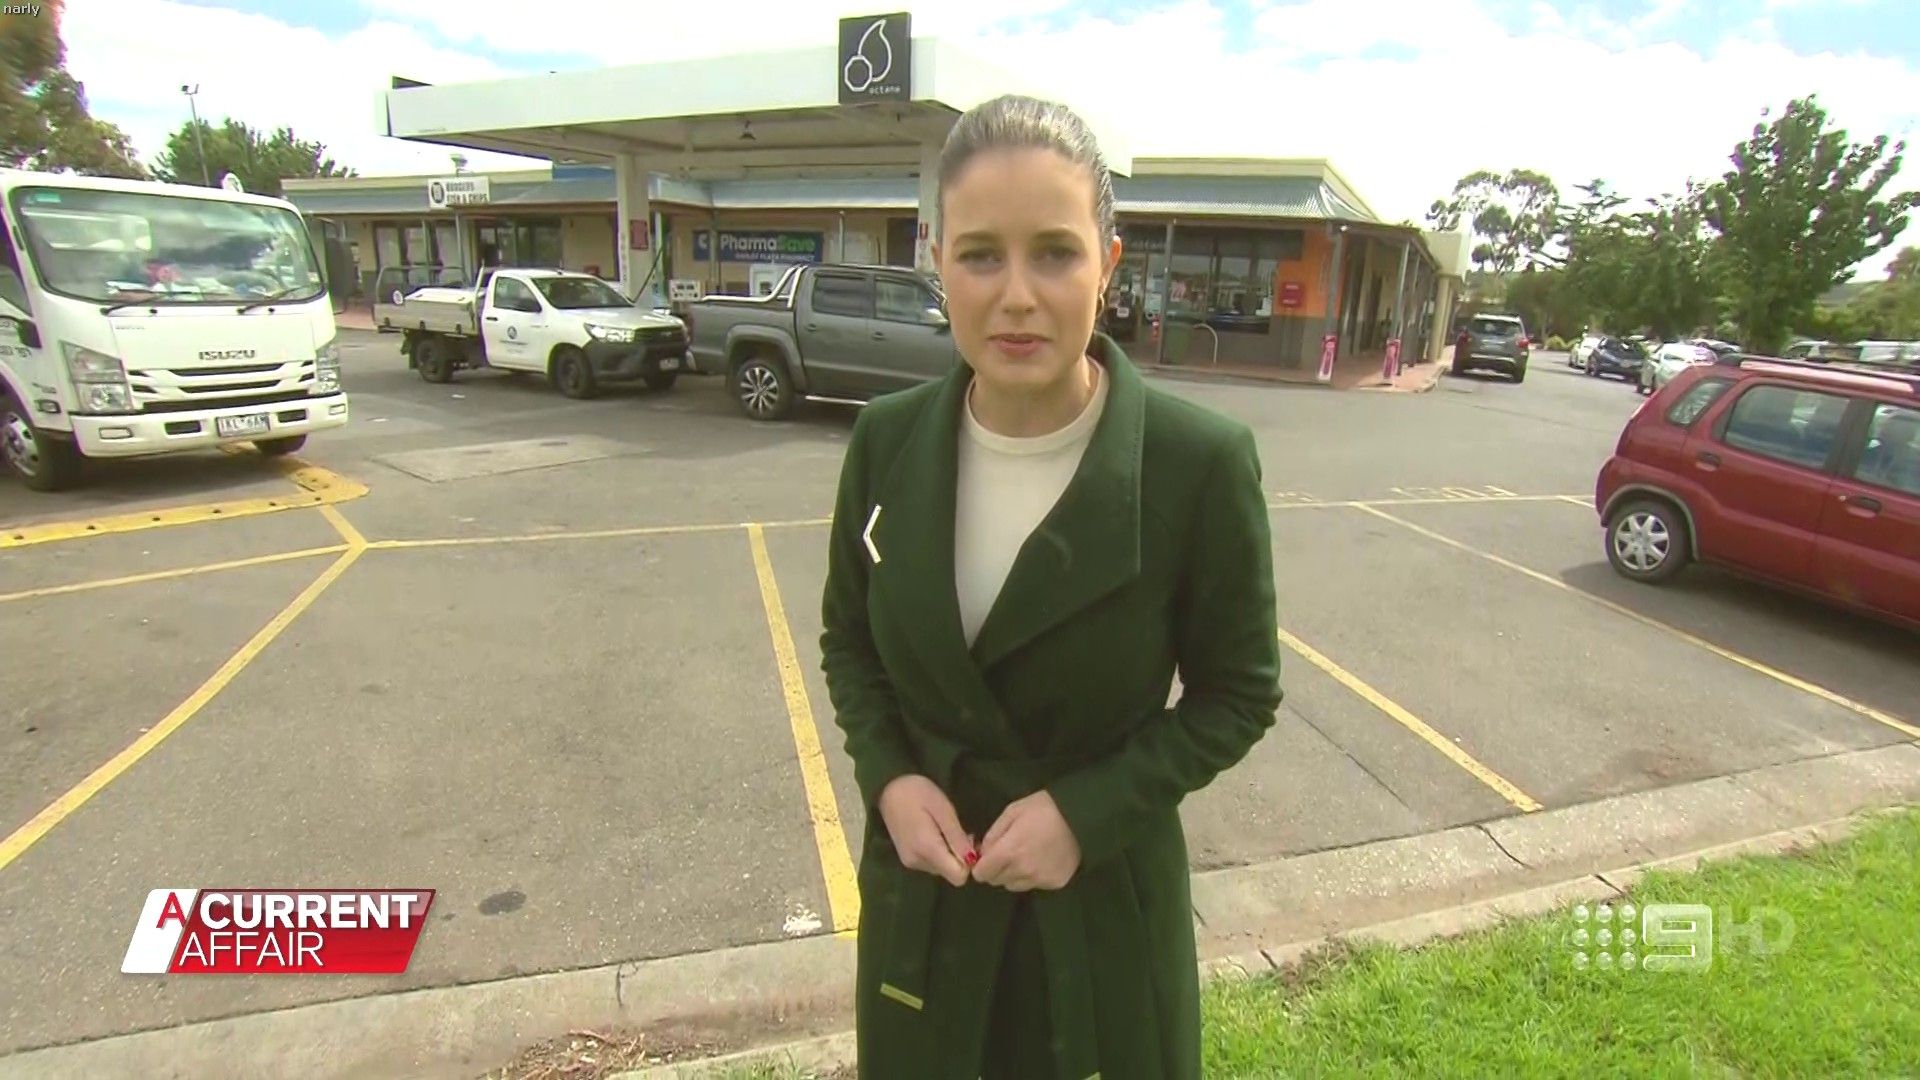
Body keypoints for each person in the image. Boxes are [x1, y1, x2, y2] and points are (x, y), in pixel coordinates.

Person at [819, 94, 1285, 1079]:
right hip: (928, 912)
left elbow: (1240, 694)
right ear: (937, 261)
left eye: (1056, 254)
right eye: (981, 255)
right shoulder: (884, 443)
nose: (1017, 296)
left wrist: (1088, 811)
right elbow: (850, 644)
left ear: (1108, 266)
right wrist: (889, 776)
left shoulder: (1196, 464)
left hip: (1099, 919)